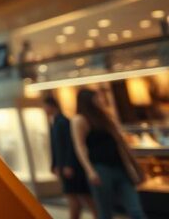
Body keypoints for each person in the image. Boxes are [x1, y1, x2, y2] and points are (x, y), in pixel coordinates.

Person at [71, 88, 147, 219]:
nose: (100, 100)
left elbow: (120, 142)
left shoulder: (105, 116)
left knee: (135, 210)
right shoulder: (80, 120)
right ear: (88, 101)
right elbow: (80, 146)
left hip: (120, 166)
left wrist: (134, 164)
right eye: (97, 98)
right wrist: (90, 170)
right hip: (100, 168)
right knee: (105, 212)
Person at [45, 95, 95, 219]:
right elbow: (55, 147)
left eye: (45, 106)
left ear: (51, 106)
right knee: (75, 195)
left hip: (70, 166)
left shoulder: (64, 121)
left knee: (80, 195)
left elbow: (70, 144)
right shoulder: (55, 122)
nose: (44, 110)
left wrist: (68, 164)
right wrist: (55, 164)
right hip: (63, 165)